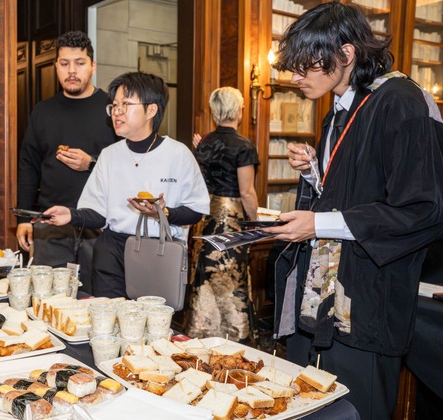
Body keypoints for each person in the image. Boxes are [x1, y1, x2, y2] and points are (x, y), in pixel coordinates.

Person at [266, 3, 443, 419]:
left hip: (367, 298)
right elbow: (356, 188)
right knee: (309, 404)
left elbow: (423, 210)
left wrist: (318, 223)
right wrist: (315, 171)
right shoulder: (342, 108)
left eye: (305, 66)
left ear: (346, 54)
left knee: (356, 408)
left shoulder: (401, 102)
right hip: (325, 290)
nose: (295, 78)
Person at [42, 72, 209, 298]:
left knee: (151, 327)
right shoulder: (109, 155)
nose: (117, 112)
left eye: (126, 104)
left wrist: (163, 212)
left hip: (157, 252)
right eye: (115, 105)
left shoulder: (178, 154)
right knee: (106, 324)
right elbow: (99, 214)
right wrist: (71, 215)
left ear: (151, 110)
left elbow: (196, 211)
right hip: (111, 251)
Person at [16, 31, 116, 294]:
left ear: (93, 66)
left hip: (100, 227)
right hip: (51, 226)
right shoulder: (43, 111)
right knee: (47, 300)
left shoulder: (111, 110)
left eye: (80, 63)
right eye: (64, 63)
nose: (72, 70)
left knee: (98, 304)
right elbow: (28, 165)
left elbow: (127, 167)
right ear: (56, 67)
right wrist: (25, 217)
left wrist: (91, 163)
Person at [187, 87, 259, 342]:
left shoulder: (204, 143)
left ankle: (201, 331)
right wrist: (254, 223)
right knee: (230, 276)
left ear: (214, 111)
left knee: (205, 276)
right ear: (238, 110)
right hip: (230, 220)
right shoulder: (244, 146)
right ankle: (234, 334)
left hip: (205, 218)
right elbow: (247, 192)